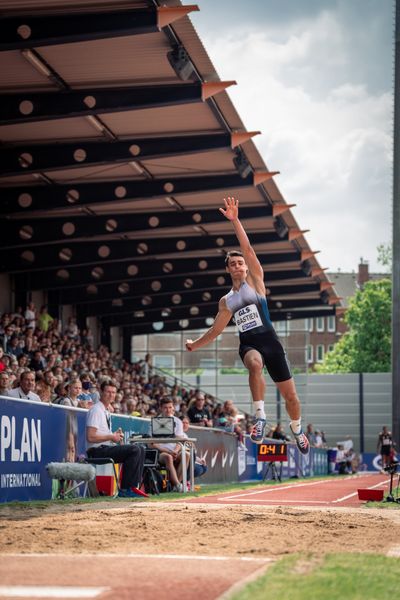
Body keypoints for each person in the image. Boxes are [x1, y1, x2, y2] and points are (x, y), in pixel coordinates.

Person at [185, 196, 309, 454]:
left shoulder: (256, 283)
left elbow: (248, 248)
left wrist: (235, 220)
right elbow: (216, 330)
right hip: (250, 344)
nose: (238, 265)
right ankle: (260, 417)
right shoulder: (226, 301)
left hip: (271, 342)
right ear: (229, 270)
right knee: (254, 364)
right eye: (233, 263)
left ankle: (297, 429)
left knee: (292, 399)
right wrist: (194, 345)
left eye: (241, 262)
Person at [86, 381, 148, 498]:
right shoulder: (95, 410)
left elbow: (102, 435)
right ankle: (125, 490)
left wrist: (114, 436)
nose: (111, 395)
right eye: (108, 392)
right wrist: (111, 436)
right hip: (95, 451)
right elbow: (90, 436)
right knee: (134, 449)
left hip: (104, 448)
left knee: (141, 448)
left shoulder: (105, 411)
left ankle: (133, 487)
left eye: (113, 392)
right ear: (101, 392)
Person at [151, 397, 189, 492]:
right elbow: (151, 444)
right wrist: (168, 451)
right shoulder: (154, 421)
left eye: (170, 407)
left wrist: (175, 451)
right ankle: (178, 485)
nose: (168, 410)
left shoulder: (178, 422)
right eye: (165, 407)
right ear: (161, 408)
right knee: (168, 457)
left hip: (175, 451)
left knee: (186, 455)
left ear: (173, 408)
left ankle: (175, 486)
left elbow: (180, 440)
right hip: (161, 453)